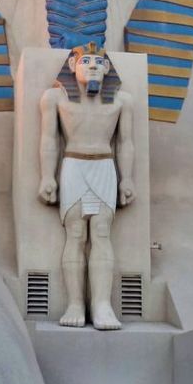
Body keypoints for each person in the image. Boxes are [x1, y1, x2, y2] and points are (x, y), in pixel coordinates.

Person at [39, 43, 134, 329]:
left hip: (105, 166)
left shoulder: (122, 101)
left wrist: (127, 177)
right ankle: (75, 303)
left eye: (97, 61)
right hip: (73, 166)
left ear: (107, 68)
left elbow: (125, 143)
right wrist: (47, 175)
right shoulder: (54, 98)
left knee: (102, 232)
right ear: (72, 66)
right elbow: (49, 139)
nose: (92, 65)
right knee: (76, 233)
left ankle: (102, 305)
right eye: (85, 61)